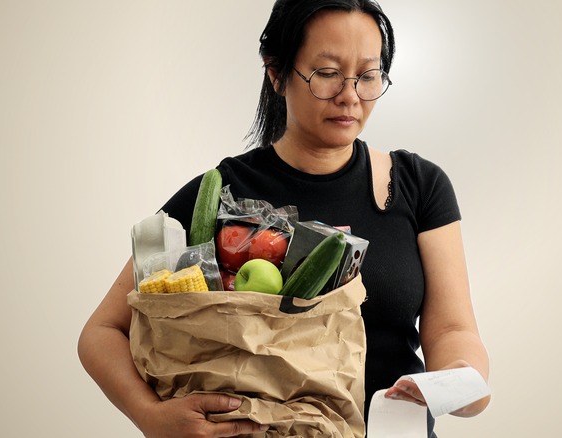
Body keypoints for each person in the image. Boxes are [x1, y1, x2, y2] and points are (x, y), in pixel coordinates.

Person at [78, 0, 490, 436]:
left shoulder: (417, 186)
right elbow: (102, 331)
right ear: (276, 72)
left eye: (368, 76)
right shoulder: (220, 193)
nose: (349, 95)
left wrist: (459, 381)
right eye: (327, 73)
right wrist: (151, 416)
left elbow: (452, 328)